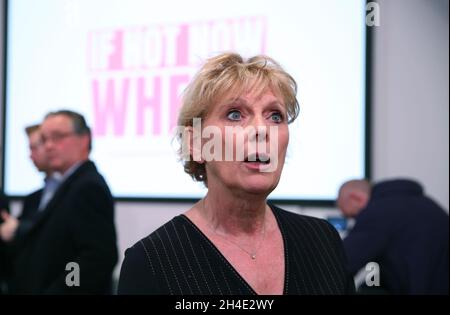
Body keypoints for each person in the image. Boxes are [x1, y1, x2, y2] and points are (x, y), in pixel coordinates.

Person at [118, 52, 355, 295]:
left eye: (275, 116)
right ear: (196, 143)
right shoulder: (152, 263)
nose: (262, 130)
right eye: (235, 114)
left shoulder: (322, 241)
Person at [7, 110, 118, 294]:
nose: (49, 146)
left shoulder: (87, 187)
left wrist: (62, 290)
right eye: (44, 139)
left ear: (84, 139)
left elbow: (97, 258)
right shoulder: (65, 184)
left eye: (58, 137)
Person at [337, 178, 449, 295]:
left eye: (353, 216)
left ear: (356, 198)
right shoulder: (429, 205)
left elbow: (342, 263)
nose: (356, 221)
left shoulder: (379, 211)